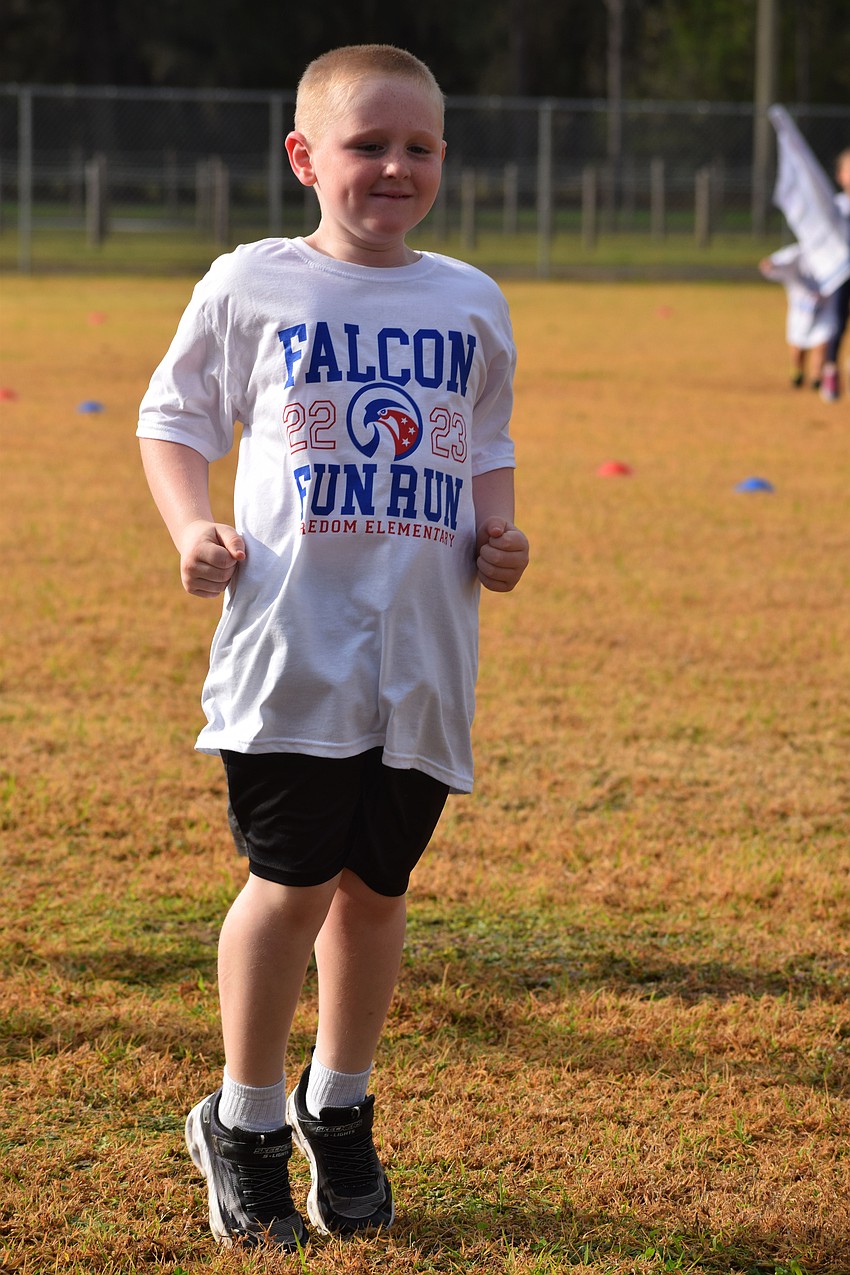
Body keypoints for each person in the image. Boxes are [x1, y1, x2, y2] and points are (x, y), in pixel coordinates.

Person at [136, 44, 529, 1251]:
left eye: (418, 147)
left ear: (444, 161)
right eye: (368, 145)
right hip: (292, 652)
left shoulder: (468, 298)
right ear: (306, 157)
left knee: (377, 891)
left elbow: (481, 443)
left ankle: (338, 1107)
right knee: (291, 883)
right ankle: (246, 1120)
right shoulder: (254, 281)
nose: (395, 166)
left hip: (420, 660)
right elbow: (171, 418)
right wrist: (192, 524)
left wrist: (501, 533)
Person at [759, 242, 838, 391]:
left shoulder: (832, 251)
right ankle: (797, 372)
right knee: (798, 345)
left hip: (825, 305)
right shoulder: (797, 252)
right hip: (801, 307)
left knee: (822, 342)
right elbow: (775, 262)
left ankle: (816, 378)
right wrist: (770, 265)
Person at [819, 147, 850, 402]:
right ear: (840, 176)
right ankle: (830, 372)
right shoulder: (836, 206)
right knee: (837, 323)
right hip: (840, 274)